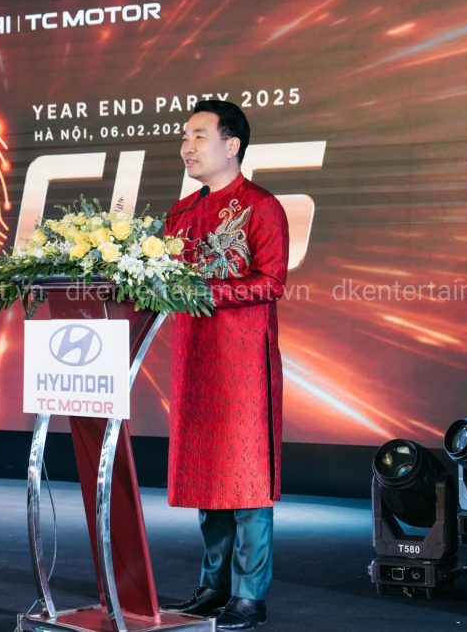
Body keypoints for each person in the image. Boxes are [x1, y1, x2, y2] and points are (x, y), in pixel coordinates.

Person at [161, 100, 289, 630]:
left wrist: (203, 291)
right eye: (184, 138)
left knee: (246, 476)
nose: (186, 147)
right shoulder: (179, 214)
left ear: (231, 144)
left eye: (198, 136)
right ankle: (213, 588)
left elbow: (271, 281)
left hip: (242, 364)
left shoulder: (260, 206)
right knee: (208, 473)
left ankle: (249, 596)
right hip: (195, 359)